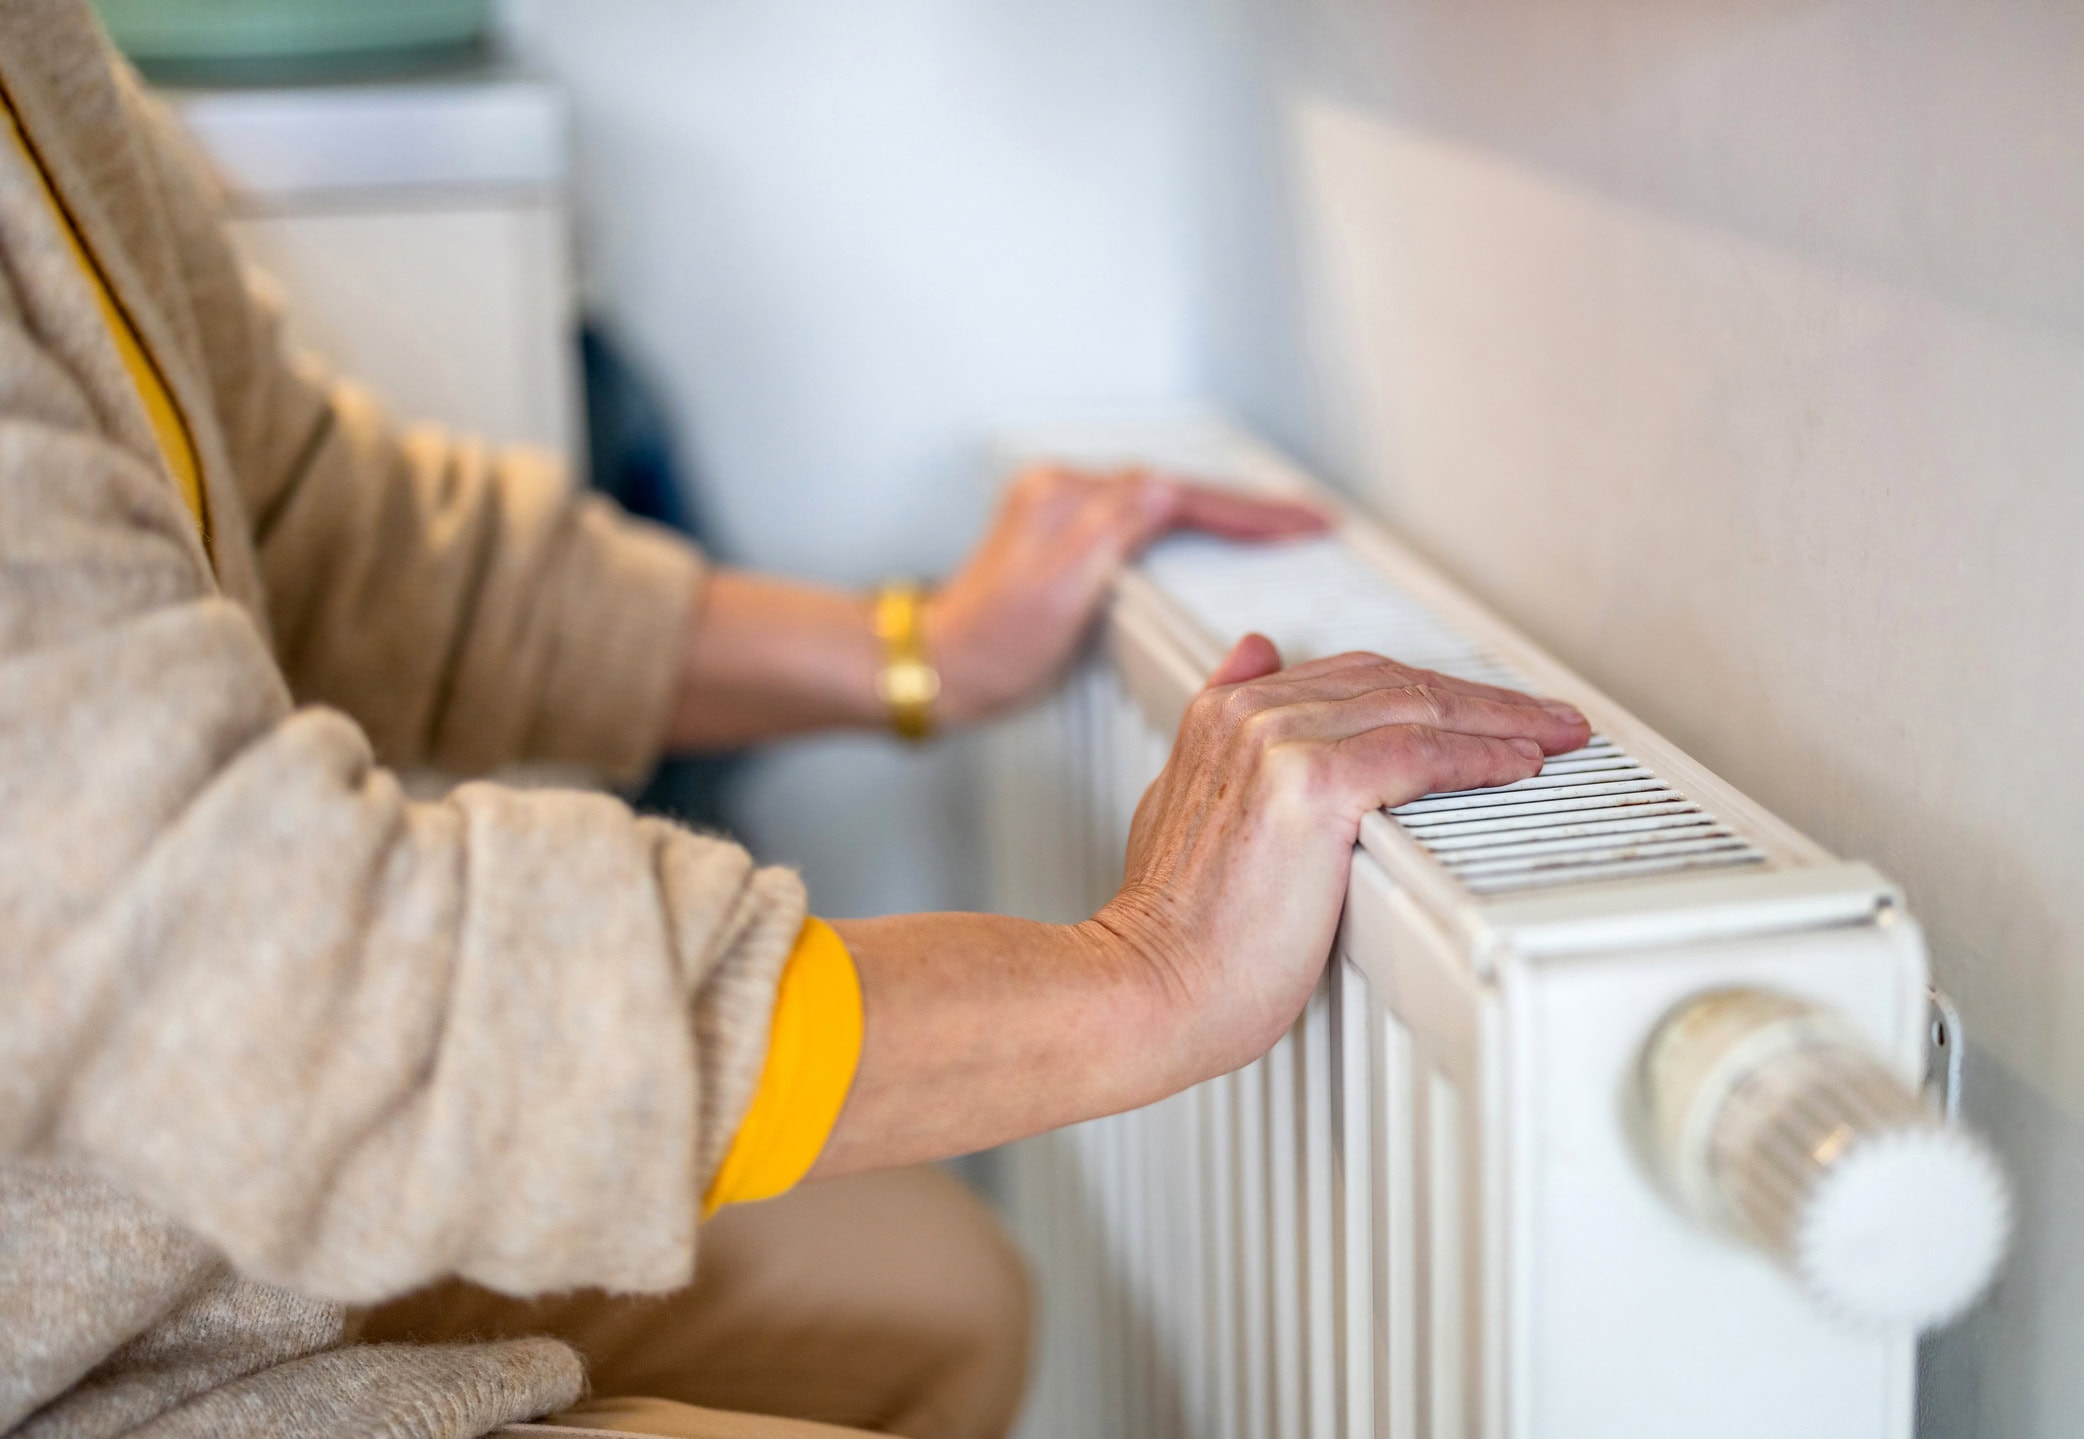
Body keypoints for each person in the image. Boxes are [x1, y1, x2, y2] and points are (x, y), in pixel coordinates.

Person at [0, 5, 1592, 1438]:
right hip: (80, 1356)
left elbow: (316, 532)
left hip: (178, 1223)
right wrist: (1143, 977)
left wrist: (918, 652)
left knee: (939, 1296)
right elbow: (270, 974)